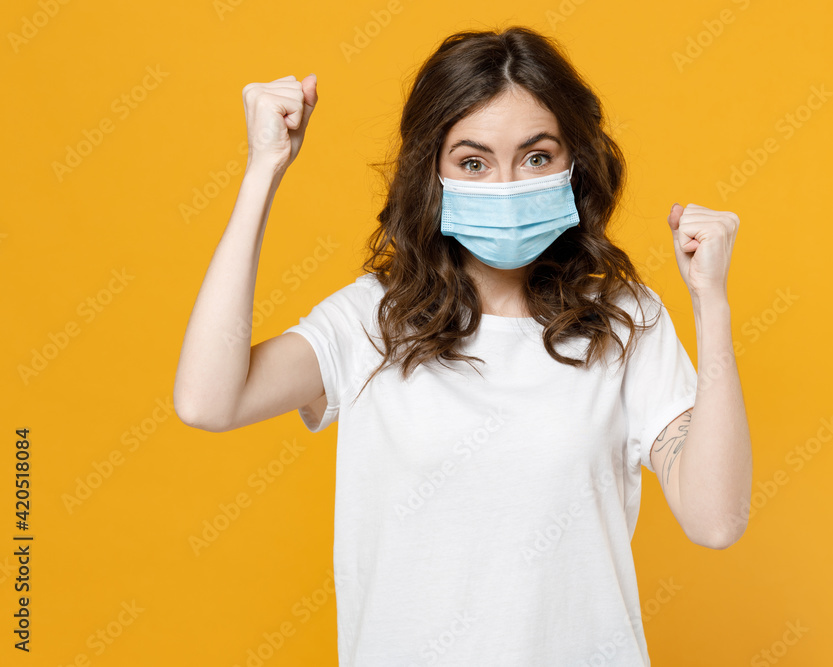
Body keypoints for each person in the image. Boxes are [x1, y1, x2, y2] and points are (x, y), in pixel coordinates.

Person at [174, 25, 752, 666]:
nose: (506, 185)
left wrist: (712, 304)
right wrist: (262, 172)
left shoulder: (623, 321)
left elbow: (715, 519)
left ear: (575, 165)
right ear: (434, 174)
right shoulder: (372, 319)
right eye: (473, 161)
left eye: (536, 157)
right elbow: (207, 401)